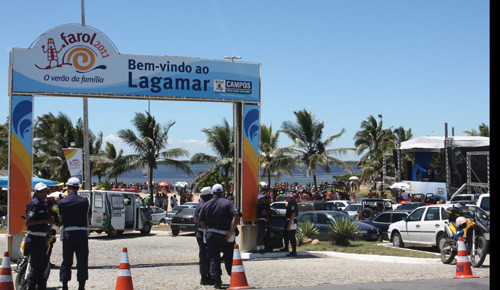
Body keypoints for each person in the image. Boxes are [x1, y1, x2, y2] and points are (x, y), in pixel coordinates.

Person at [198, 184, 240, 289]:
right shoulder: (228, 203)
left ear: (212, 193)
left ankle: (217, 281)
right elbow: (236, 216)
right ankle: (234, 278)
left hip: (211, 235)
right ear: (222, 192)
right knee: (229, 257)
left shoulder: (206, 204)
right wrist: (231, 231)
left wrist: (207, 230)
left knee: (213, 258)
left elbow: (201, 221)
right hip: (225, 234)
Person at [58, 177, 90, 290]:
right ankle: (81, 286)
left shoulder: (62, 202)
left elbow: (61, 216)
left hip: (68, 233)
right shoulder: (84, 201)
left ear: (68, 187)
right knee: (82, 260)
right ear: (78, 187)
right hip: (81, 233)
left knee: (66, 261)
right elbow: (88, 215)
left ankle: (65, 285)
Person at [25, 182, 54, 290]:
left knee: (42, 267)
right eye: (41, 191)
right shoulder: (35, 204)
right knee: (37, 268)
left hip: (42, 238)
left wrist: (50, 221)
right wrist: (45, 220)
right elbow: (28, 222)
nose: (44, 193)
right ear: (36, 192)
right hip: (35, 238)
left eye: (45, 191)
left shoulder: (43, 204)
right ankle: (31, 286)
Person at [194, 187, 214, 285]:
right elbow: (203, 222)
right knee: (205, 255)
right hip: (203, 232)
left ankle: (208, 275)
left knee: (205, 254)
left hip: (201, 232)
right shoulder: (204, 206)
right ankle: (205, 276)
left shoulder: (201, 204)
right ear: (208, 196)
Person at [279, 192, 298, 257]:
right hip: (289, 221)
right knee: (286, 235)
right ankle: (286, 248)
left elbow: (293, 214)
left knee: (292, 236)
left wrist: (289, 224)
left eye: (286, 197)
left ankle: (294, 251)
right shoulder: (290, 203)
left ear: (290, 197)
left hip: (291, 221)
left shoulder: (292, 203)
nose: (285, 199)